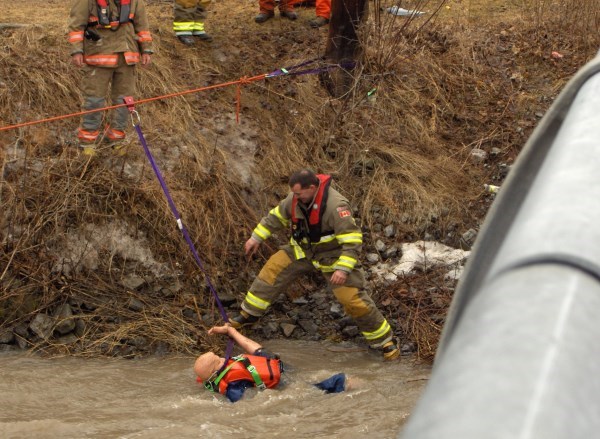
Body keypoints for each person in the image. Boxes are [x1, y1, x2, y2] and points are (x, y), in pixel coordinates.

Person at [229, 169, 400, 361]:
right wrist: (255, 238)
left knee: (353, 300)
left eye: (298, 193)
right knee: (272, 270)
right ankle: (248, 315)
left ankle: (385, 340)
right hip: (303, 250)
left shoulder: (337, 206)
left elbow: (352, 241)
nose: (295, 196)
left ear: (312, 188)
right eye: (293, 193)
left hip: (333, 257)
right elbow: (275, 218)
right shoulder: (294, 199)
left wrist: (343, 269)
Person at [68, 0, 153, 156]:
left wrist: (146, 50)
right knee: (94, 101)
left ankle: (116, 139)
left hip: (127, 58)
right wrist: (76, 51)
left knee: (124, 101)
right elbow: (76, 26)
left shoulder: (135, 2)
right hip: (98, 57)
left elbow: (142, 26)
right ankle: (87, 142)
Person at [195, 324, 351, 402]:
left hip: (280, 382)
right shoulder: (236, 361)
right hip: (277, 364)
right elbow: (254, 347)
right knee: (307, 381)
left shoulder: (233, 386)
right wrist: (231, 331)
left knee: (317, 391)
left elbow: (245, 403)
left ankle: (344, 383)